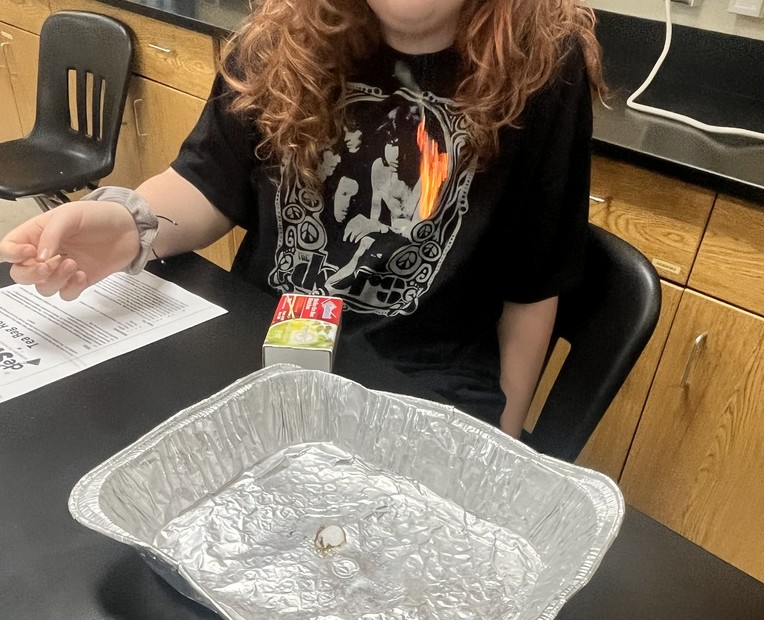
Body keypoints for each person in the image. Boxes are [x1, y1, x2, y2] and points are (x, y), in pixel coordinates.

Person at [0, 0, 604, 438]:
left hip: (420, 387)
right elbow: (208, 184)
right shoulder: (280, 35)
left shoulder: (545, 63)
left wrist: (503, 443)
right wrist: (124, 226)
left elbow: (534, 282)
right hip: (263, 352)